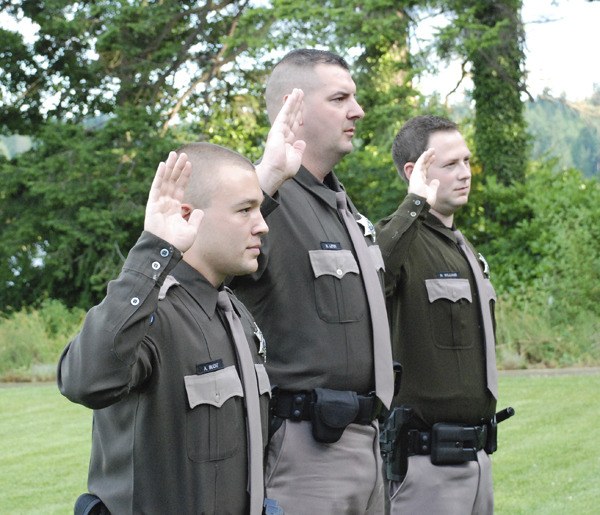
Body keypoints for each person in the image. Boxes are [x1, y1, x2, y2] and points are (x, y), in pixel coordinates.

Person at [58, 141, 279, 514]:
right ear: (187, 215)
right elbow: (85, 379)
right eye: (245, 210)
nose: (263, 225)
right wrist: (152, 251)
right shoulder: (153, 311)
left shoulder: (233, 312)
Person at [230, 49, 394, 514]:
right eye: (340, 98)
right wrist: (262, 185)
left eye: (354, 97)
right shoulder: (264, 199)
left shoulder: (344, 208)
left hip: (368, 443)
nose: (357, 111)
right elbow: (204, 260)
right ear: (293, 108)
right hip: (307, 451)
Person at [376, 115, 509, 514]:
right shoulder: (397, 239)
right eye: (450, 164)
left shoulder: (462, 248)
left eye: (466, 161)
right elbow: (374, 273)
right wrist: (415, 204)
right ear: (414, 172)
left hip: (476, 461)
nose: (465, 173)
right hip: (424, 466)